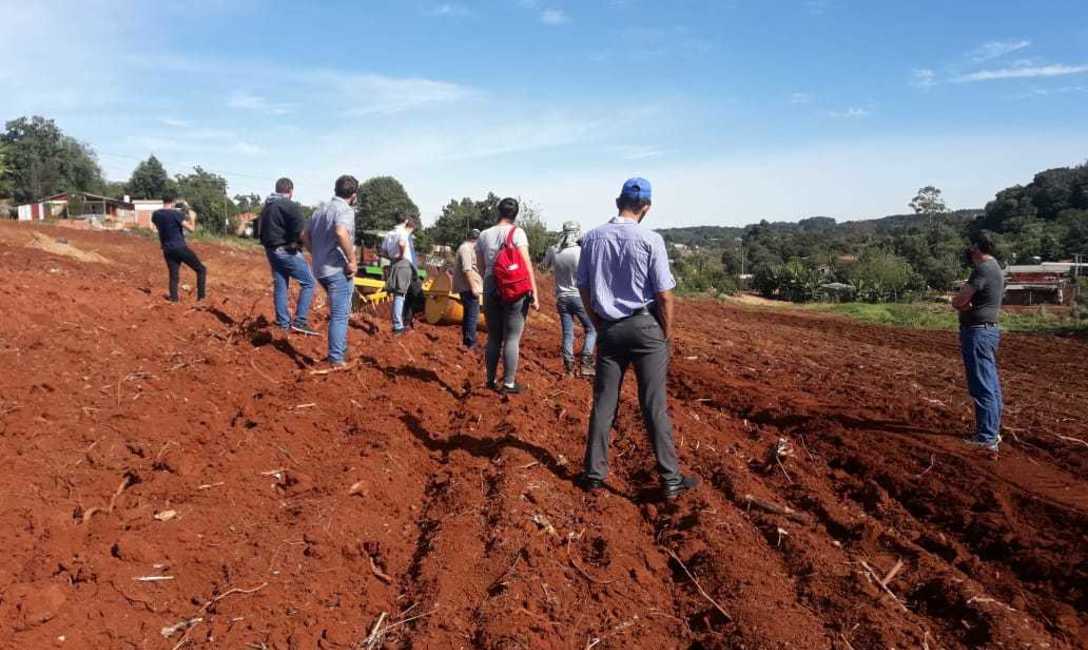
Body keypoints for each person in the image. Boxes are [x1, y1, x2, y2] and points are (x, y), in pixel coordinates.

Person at [575, 178, 697, 500]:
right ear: (647, 207)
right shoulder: (651, 239)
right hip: (645, 328)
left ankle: (593, 475)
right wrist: (665, 336)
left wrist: (599, 322)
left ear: (617, 201)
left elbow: (584, 288)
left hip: (610, 329)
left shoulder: (592, 238)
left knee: (604, 402)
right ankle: (670, 479)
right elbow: (665, 296)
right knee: (653, 405)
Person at [476, 197, 541, 394]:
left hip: (490, 284)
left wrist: (488, 280)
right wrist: (535, 293)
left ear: (499, 211)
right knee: (512, 338)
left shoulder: (484, 234)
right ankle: (509, 383)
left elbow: (480, 264)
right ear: (515, 214)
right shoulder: (517, 232)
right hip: (514, 287)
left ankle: (489, 380)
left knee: (494, 337)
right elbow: (526, 264)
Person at [951, 232, 1005, 452]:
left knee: (982, 384)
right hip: (988, 331)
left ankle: (986, 437)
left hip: (977, 333)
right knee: (990, 383)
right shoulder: (995, 267)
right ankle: (991, 431)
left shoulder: (982, 270)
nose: (969, 250)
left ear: (977, 248)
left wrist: (960, 303)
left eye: (971, 246)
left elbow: (959, 300)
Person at [302, 175, 359, 366]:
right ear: (353, 194)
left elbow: (304, 234)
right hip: (336, 270)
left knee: (339, 311)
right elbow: (341, 232)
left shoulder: (320, 208)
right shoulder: (345, 210)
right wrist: (352, 260)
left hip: (320, 269)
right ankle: (336, 358)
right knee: (340, 314)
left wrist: (315, 253)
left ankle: (341, 351)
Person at [259, 177, 316, 336]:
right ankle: (300, 320)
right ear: (290, 191)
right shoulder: (290, 206)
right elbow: (302, 233)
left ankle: (283, 323)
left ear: (277, 189)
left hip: (271, 251)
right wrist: (312, 251)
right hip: (285, 251)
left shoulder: (267, 205)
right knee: (309, 282)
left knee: (281, 285)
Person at [543, 221, 596, 377]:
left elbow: (544, 266)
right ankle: (586, 362)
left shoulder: (554, 250)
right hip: (579, 297)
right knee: (592, 329)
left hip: (561, 298)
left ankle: (569, 368)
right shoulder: (581, 251)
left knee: (568, 333)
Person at [151, 189, 206, 303]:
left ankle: (174, 299)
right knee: (201, 269)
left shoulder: (156, 215)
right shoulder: (176, 214)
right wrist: (193, 218)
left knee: (173, 275)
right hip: (179, 247)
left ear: (163, 200)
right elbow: (191, 229)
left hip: (167, 249)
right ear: (173, 201)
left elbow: (159, 226)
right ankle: (201, 299)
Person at [382, 215, 420, 335]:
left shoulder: (389, 233)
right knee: (400, 294)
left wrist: (393, 257)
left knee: (400, 293)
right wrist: (401, 254)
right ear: (406, 222)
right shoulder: (402, 232)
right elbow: (402, 243)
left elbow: (383, 251)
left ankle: (402, 322)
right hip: (404, 264)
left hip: (395, 263)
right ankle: (398, 326)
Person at [452, 228, 483, 349]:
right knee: (472, 315)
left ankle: (467, 341)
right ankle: (470, 342)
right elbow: (467, 269)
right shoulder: (466, 248)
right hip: (468, 287)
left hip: (468, 287)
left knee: (468, 314)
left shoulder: (468, 248)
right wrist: (473, 287)